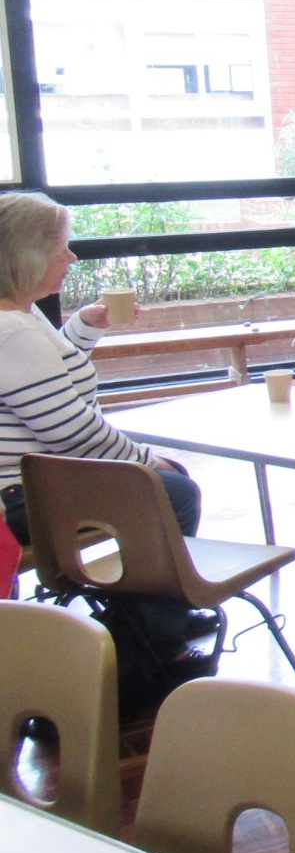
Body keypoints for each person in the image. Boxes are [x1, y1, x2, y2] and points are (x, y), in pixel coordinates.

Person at [0, 191, 206, 665]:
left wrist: (82, 328)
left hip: (31, 485)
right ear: (26, 256)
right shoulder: (13, 331)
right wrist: (144, 461)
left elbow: (52, 381)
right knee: (172, 492)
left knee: (165, 482)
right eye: (61, 249)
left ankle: (158, 613)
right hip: (22, 499)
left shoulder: (21, 314)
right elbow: (72, 433)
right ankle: (152, 642)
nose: (71, 258)